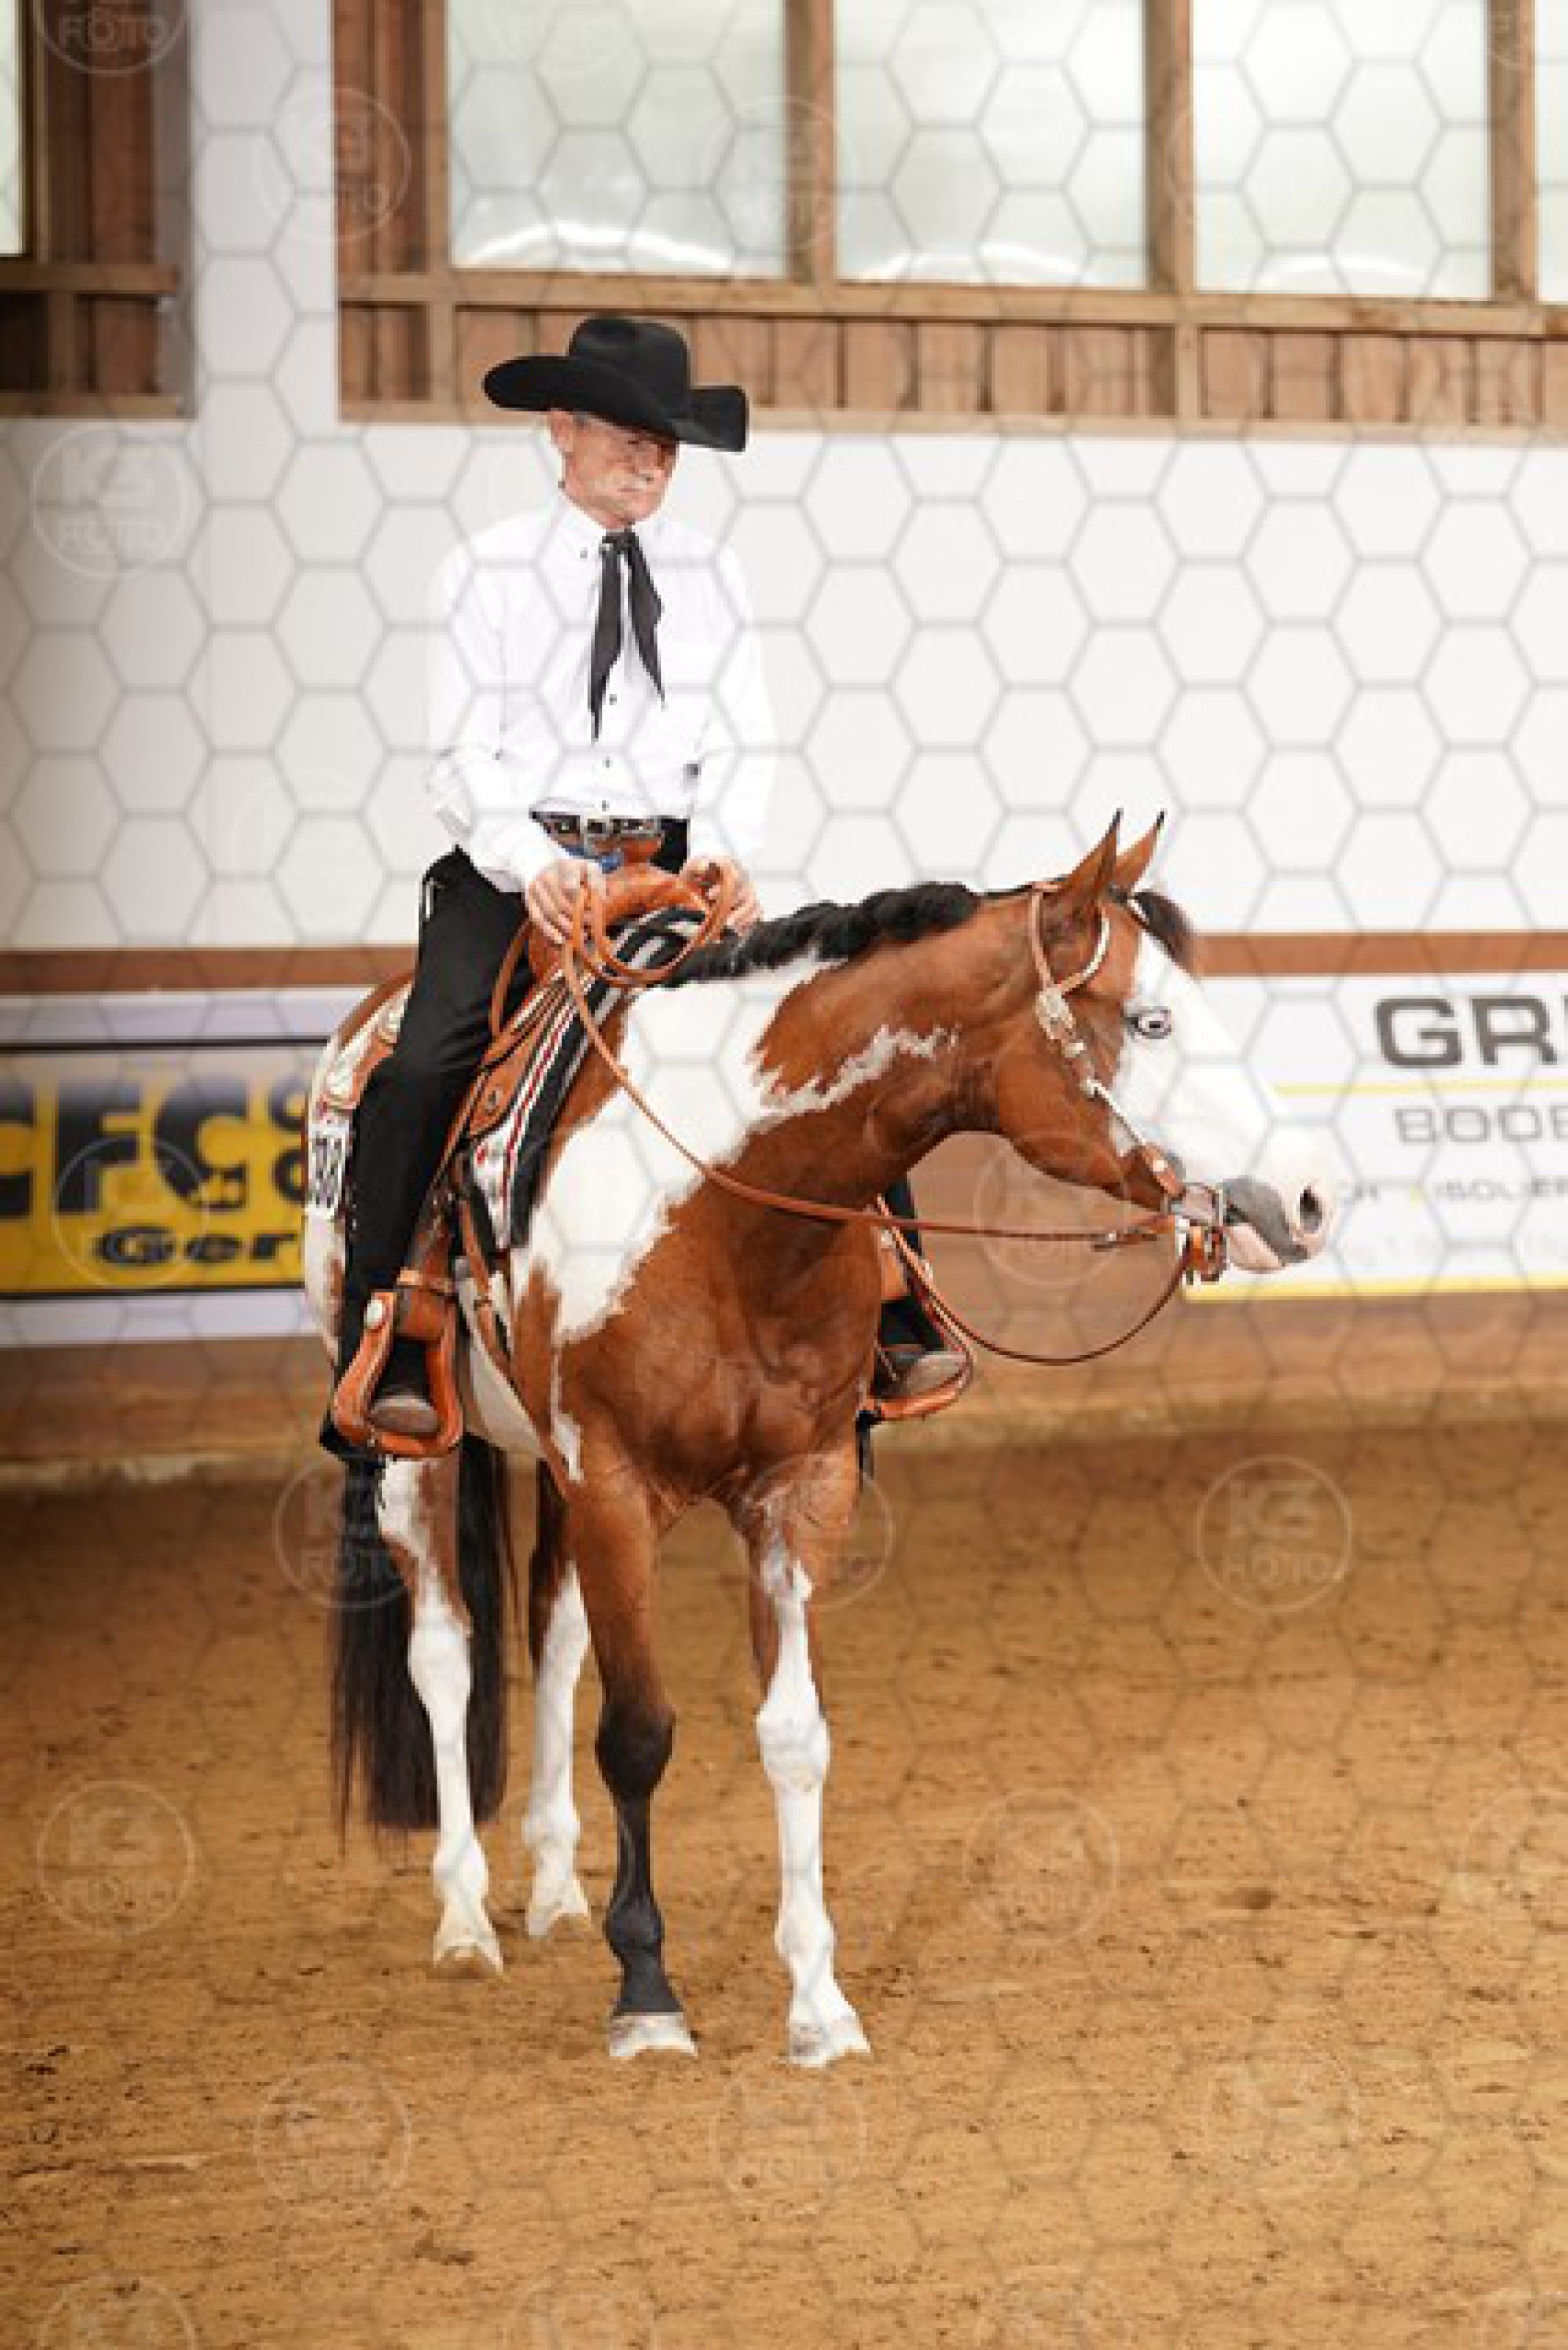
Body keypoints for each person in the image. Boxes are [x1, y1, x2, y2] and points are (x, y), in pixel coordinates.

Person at [328, 314, 960, 1452]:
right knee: (426, 1062)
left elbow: (746, 735)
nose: (652, 458)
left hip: (674, 866)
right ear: (560, 430)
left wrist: (719, 847)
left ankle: (894, 1301)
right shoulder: (485, 573)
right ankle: (394, 1327)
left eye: (666, 441)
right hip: (517, 871)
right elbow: (460, 756)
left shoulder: (712, 573)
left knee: (812, 1024)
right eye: (628, 433)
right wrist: (536, 866)